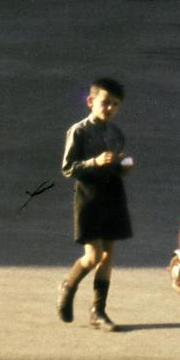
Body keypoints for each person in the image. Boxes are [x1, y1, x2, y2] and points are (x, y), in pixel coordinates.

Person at [57, 76, 135, 331]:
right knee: (92, 256)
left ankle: (98, 311)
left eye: (115, 104)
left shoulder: (117, 133)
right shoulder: (79, 131)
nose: (110, 108)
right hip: (89, 196)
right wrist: (94, 162)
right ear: (91, 101)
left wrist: (122, 167)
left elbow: (115, 162)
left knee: (107, 255)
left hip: (112, 194)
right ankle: (68, 286)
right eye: (105, 102)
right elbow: (68, 168)